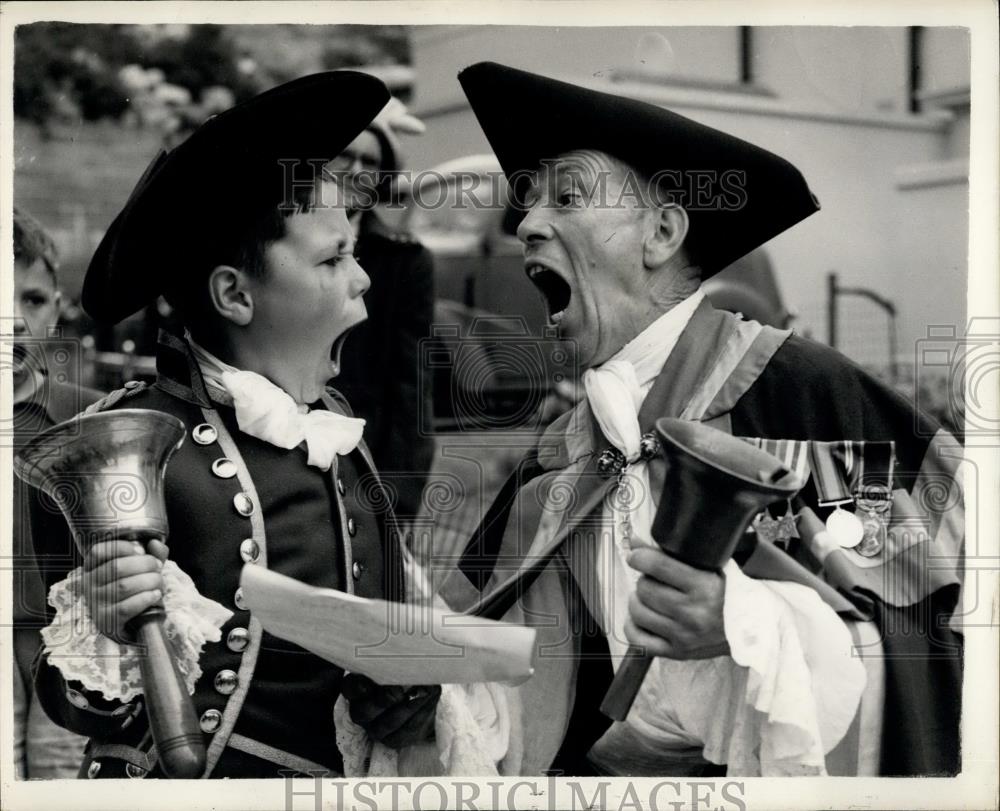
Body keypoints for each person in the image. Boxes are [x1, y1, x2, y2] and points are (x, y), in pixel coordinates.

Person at [446, 62, 964, 777]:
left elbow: (938, 639)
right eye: (529, 203)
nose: (528, 223)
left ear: (660, 232)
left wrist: (749, 629)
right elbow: (508, 676)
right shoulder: (560, 458)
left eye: (566, 196)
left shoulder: (810, 400)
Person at [25, 72, 443, 779]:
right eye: (334, 257)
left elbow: (387, 619)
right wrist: (105, 620)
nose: (363, 278)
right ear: (235, 294)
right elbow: (83, 707)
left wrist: (409, 688)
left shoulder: (336, 428)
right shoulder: (132, 446)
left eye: (356, 250)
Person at [11, 208, 101, 778]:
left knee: (59, 775)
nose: (16, 320)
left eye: (34, 300)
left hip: (65, 645)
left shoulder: (89, 413)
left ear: (58, 305)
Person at [331, 98, 436, 522]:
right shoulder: (274, 243)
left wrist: (401, 494)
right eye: (345, 155)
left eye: (370, 162)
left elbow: (412, 383)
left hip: (363, 458)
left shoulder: (404, 261)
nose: (356, 171)